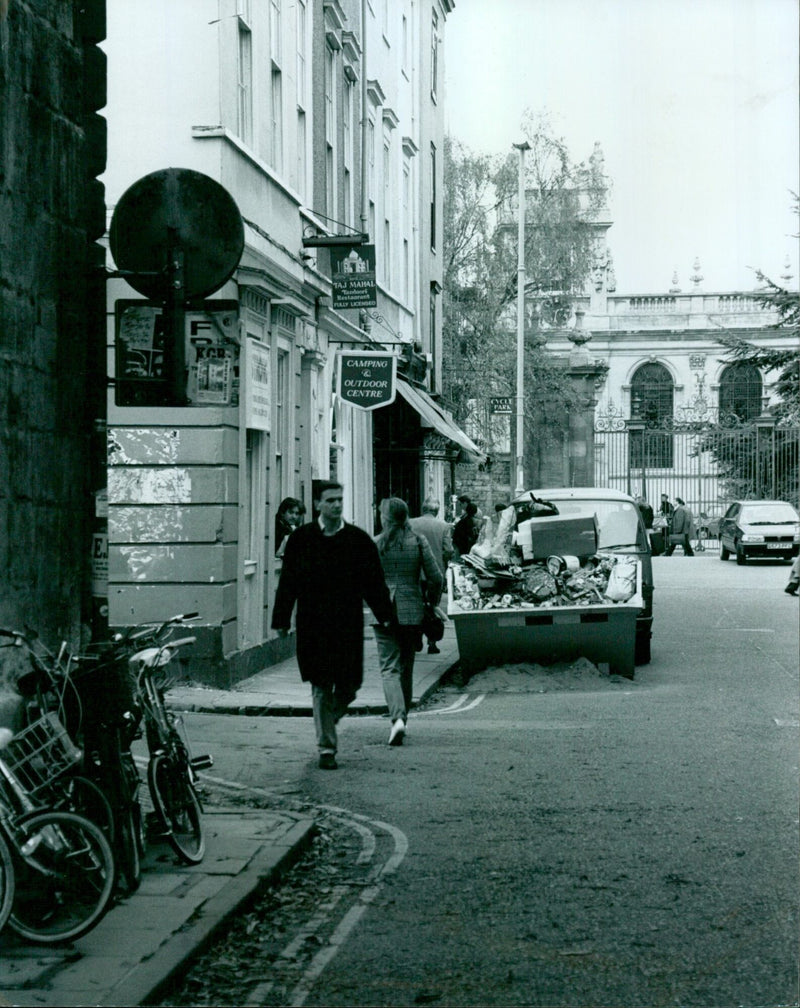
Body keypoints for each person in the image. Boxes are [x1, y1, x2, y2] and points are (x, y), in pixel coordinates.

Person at [271, 482, 393, 770]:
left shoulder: (358, 540)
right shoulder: (301, 540)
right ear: (317, 505)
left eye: (340, 500)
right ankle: (327, 747)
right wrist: (281, 620)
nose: (337, 505)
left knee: (351, 684)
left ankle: (329, 715)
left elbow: (373, 582)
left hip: (347, 624)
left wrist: (384, 613)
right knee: (321, 683)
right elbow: (288, 583)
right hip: (314, 625)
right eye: (330, 500)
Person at [373, 497, 443, 746]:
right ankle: (403, 719)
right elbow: (436, 578)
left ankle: (397, 719)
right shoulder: (418, 541)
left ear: (387, 518)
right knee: (406, 667)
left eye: (381, 513)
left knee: (389, 667)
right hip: (412, 610)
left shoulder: (376, 544)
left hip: (383, 613)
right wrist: (432, 603)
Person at [409, 498, 453, 653]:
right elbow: (448, 550)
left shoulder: (411, 523)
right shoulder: (444, 526)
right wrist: (444, 562)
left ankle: (416, 639)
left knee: (416, 606)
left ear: (423, 509)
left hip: (414, 572)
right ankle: (432, 642)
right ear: (437, 511)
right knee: (432, 606)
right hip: (435, 572)